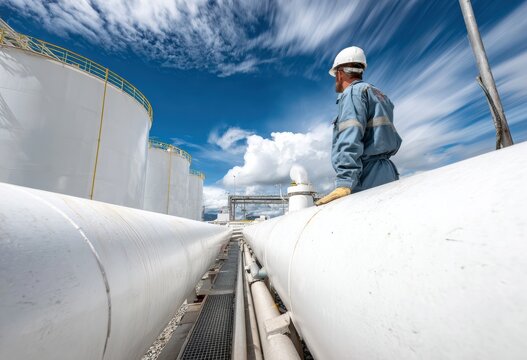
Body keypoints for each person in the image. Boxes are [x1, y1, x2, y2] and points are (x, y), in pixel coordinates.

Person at [315, 46, 402, 206]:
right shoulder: (379, 95)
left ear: (340, 74)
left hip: (365, 176)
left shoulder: (352, 93)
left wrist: (345, 182)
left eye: (335, 75)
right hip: (387, 171)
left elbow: (351, 136)